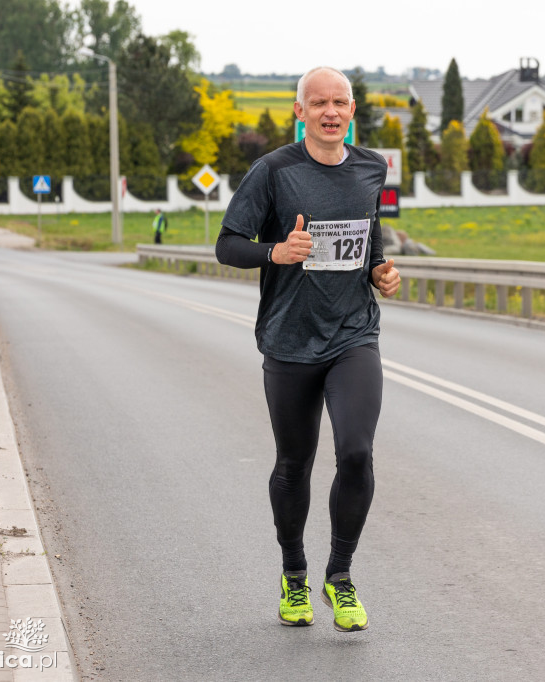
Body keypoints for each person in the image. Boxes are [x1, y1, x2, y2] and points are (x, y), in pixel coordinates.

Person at [216, 65, 400, 633]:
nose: (330, 112)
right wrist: (275, 252)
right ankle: (294, 574)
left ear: (351, 110)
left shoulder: (372, 166)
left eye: (339, 102)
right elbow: (227, 246)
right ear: (300, 112)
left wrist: (380, 272)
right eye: (317, 103)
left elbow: (368, 234)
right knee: (295, 464)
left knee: (356, 453)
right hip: (291, 339)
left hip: (353, 334)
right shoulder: (272, 172)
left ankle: (339, 578)